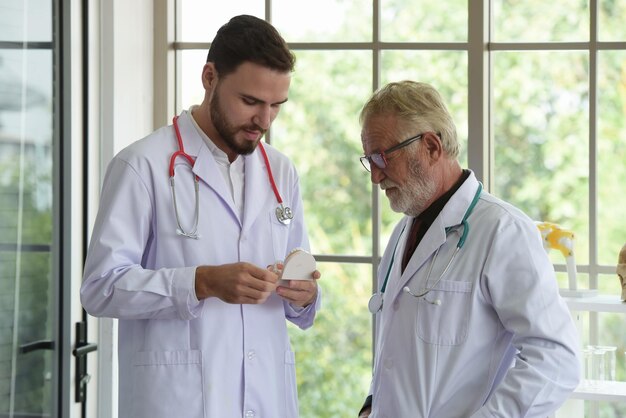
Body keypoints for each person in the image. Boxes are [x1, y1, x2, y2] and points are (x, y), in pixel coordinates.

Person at [81, 15, 321, 418]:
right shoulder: (142, 165)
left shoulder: (281, 172)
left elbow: (300, 285)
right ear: (209, 77)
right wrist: (201, 281)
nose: (264, 121)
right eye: (250, 102)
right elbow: (100, 288)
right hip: (177, 402)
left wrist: (305, 296)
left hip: (266, 400)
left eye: (276, 106)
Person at [357, 81, 580, 417]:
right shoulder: (405, 230)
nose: (375, 176)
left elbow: (556, 358)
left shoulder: (503, 231)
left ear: (431, 146)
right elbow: (397, 353)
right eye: (368, 160)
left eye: (382, 157)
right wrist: (371, 406)